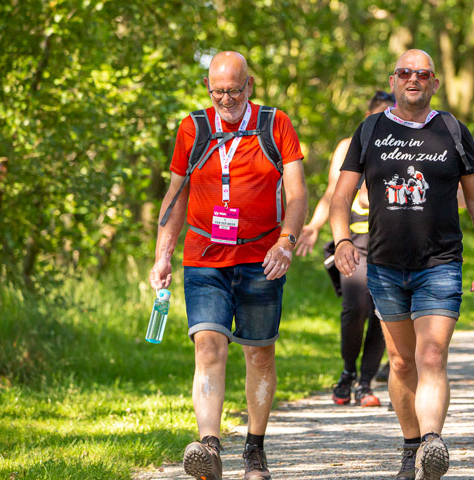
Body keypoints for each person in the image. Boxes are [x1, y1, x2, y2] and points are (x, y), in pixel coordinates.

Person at [329, 49, 474, 480]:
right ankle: (411, 447)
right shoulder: (369, 130)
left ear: (434, 83)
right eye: (405, 73)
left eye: (422, 74)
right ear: (392, 80)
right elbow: (339, 197)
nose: (413, 79)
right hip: (385, 264)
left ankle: (431, 443)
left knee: (431, 353)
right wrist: (343, 239)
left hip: (439, 263)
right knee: (401, 361)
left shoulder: (452, 130)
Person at [149, 51, 307, 480]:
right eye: (218, 91)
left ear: (250, 85)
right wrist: (163, 252)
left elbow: (297, 193)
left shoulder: (276, 124)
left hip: (261, 257)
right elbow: (176, 195)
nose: (226, 99)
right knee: (208, 346)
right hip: (204, 257)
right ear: (207, 87)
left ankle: (254, 450)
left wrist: (287, 242)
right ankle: (209, 446)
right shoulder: (193, 128)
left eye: (234, 90)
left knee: (259, 353)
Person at [295, 92, 396, 407]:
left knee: (382, 312)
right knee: (355, 308)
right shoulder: (349, 145)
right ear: (368, 114)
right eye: (378, 113)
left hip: (389, 243)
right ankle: (348, 371)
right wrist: (313, 226)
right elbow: (332, 192)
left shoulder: (401, 146)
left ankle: (365, 382)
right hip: (354, 241)